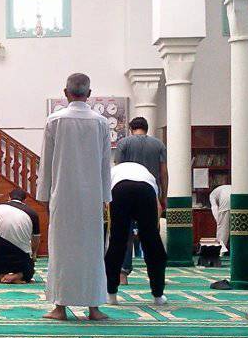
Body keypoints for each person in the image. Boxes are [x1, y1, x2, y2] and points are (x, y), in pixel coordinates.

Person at [38, 73, 111, 321]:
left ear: (66, 93)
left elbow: (46, 164)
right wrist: (105, 198)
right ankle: (94, 308)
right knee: (92, 250)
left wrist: (44, 196)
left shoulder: (55, 121)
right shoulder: (101, 123)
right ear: (89, 94)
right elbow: (105, 165)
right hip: (92, 198)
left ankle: (60, 307)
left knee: (62, 251)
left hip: (62, 195)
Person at [104, 161, 167, 305]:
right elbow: (157, 207)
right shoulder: (147, 175)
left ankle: (111, 295)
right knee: (152, 242)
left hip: (120, 190)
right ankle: (158, 296)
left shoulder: (113, 172)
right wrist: (151, 229)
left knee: (117, 242)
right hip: (146, 191)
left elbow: (106, 201)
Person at [114, 117, 169, 280]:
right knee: (151, 232)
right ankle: (156, 273)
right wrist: (163, 196)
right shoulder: (158, 144)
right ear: (147, 128)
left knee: (125, 232)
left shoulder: (124, 143)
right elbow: (163, 172)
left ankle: (123, 273)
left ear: (131, 128)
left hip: (124, 190)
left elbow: (118, 168)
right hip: (149, 191)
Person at [0, 188, 40, 284]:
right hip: (20, 259)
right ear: (24, 200)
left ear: (9, 198)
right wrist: (34, 255)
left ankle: (0, 277)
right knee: (29, 271)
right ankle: (17, 276)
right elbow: (36, 239)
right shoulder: (32, 214)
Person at [208, 184, 232, 255]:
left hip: (225, 203)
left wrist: (218, 221)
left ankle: (220, 252)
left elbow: (214, 207)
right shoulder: (226, 187)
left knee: (222, 231)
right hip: (238, 200)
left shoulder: (212, 194)